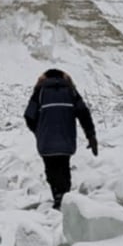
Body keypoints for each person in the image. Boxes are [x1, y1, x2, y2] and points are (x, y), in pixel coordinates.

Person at [23, 68, 97, 209]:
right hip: (66, 139)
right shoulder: (71, 91)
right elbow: (83, 114)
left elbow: (29, 116)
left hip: (46, 141)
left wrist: (38, 132)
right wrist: (91, 135)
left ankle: (58, 197)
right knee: (64, 168)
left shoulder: (39, 92)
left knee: (51, 169)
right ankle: (65, 198)